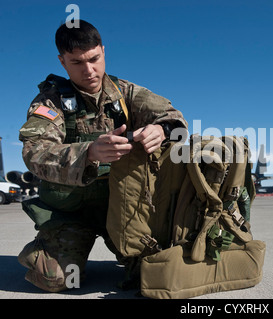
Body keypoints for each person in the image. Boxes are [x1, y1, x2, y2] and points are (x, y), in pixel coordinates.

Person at [17, 20, 187, 292]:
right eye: (77, 63)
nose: (89, 70)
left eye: (94, 59)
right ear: (62, 62)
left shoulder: (126, 94)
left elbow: (173, 119)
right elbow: (34, 152)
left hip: (120, 209)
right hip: (70, 212)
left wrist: (162, 129)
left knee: (154, 275)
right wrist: (89, 152)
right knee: (57, 279)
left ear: (103, 51)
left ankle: (130, 253)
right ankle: (45, 248)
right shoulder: (49, 103)